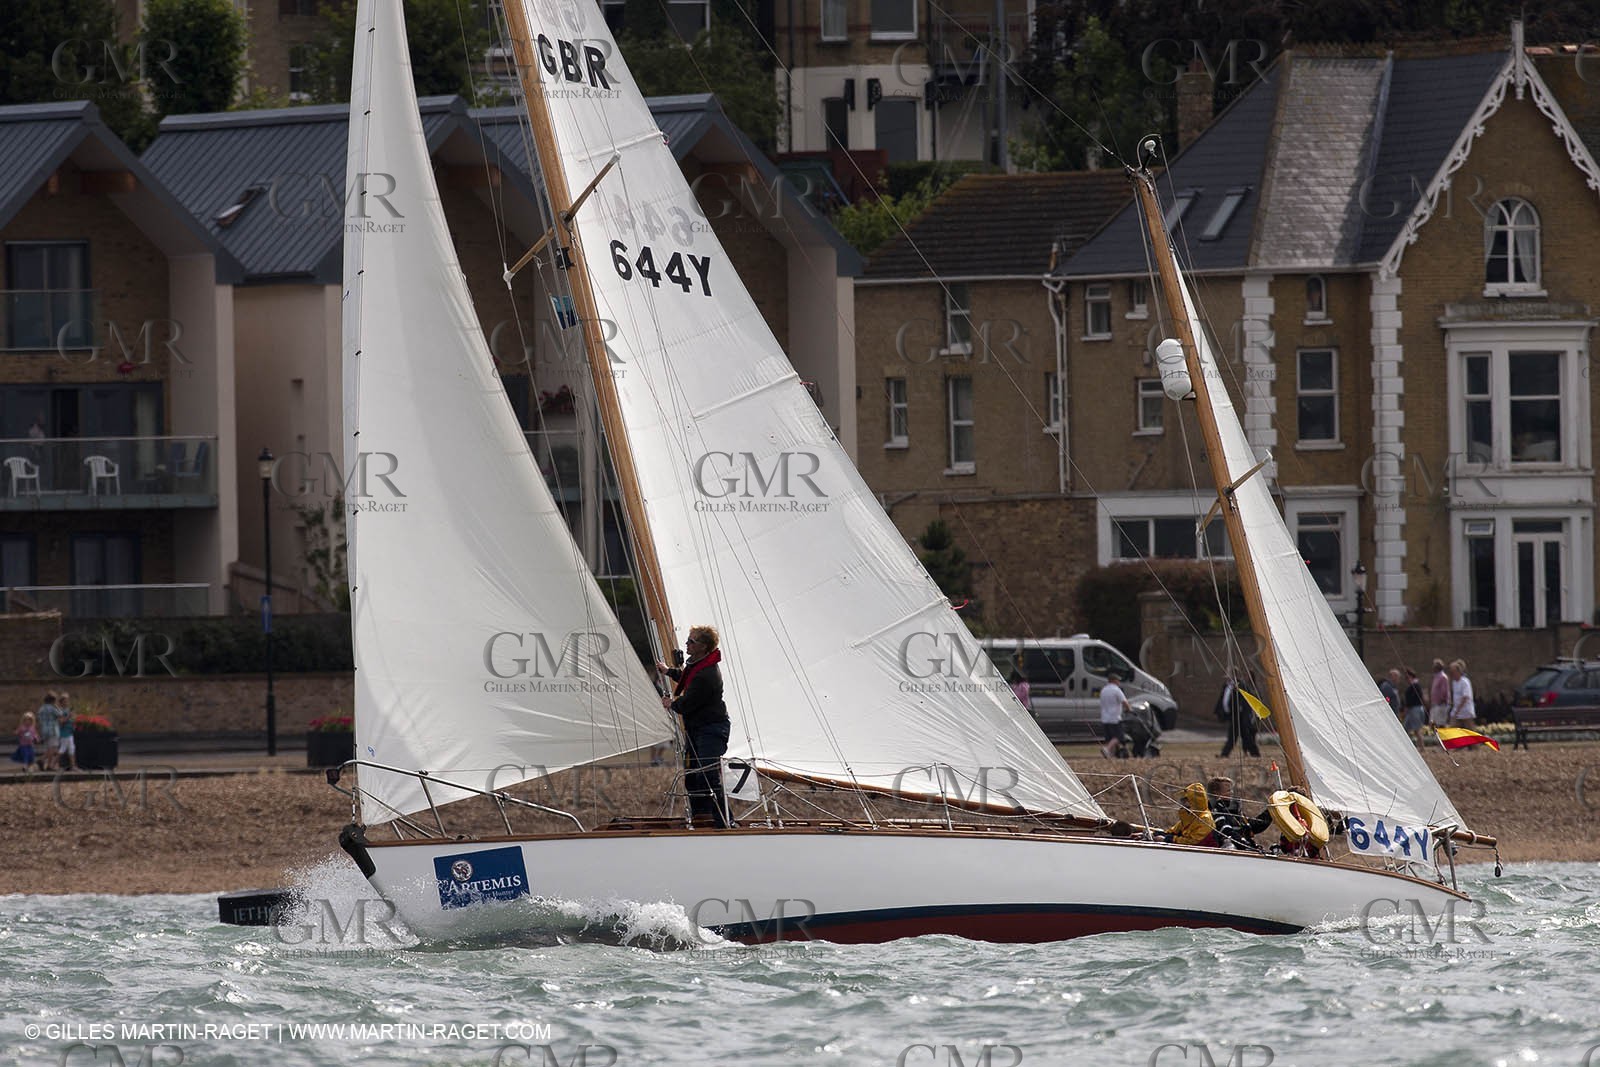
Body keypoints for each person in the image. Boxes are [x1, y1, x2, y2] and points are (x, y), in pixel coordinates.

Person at [657, 626, 731, 829]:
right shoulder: (698, 665)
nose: (687, 644)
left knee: (707, 776)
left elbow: (686, 704)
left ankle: (725, 822)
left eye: (691, 642)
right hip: (698, 730)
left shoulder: (707, 675)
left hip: (712, 730)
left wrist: (670, 703)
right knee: (692, 776)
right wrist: (668, 671)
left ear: (703, 647)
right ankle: (703, 819)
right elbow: (685, 677)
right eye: (688, 640)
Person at [1207, 776, 1272, 849]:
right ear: (1216, 793)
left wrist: (1271, 811)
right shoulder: (1214, 811)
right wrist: (1245, 845)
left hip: (1244, 850)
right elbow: (1225, 831)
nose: (1231, 793)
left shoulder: (1233, 812)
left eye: (1232, 790)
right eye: (1228, 791)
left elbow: (1253, 827)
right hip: (1229, 852)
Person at [1217, 672, 1260, 758]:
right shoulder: (1227, 686)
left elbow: (1247, 698)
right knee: (1238, 735)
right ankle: (1225, 753)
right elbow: (1224, 699)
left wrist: (1245, 711)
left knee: (1243, 736)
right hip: (1232, 715)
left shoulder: (1241, 685)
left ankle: (1254, 753)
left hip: (1241, 716)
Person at [1167, 782, 1218, 846]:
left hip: (1206, 853)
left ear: (1194, 801)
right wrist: (1159, 834)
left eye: (1186, 800)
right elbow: (1173, 831)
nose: (1183, 802)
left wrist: (1171, 839)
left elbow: (1194, 842)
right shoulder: (1189, 817)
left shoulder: (1205, 819)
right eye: (1183, 800)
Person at [1099, 670, 1131, 758]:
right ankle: (1107, 749)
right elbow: (1124, 702)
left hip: (1104, 718)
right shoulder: (1116, 690)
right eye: (1118, 680)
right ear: (1113, 680)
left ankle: (1111, 754)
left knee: (1109, 737)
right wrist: (1129, 709)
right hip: (1114, 718)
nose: (1119, 682)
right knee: (1119, 736)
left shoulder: (1104, 690)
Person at [35, 691, 60, 772]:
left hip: (44, 731)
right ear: (53, 700)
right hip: (53, 730)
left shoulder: (41, 708)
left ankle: (48, 765)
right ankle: (42, 760)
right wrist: (57, 707)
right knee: (53, 749)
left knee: (50, 748)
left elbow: (38, 719)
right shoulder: (52, 708)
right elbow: (60, 714)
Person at [1401, 668, 1427, 742]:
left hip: (1415, 709)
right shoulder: (1413, 685)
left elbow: (1412, 699)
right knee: (1406, 728)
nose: (1406, 680)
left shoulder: (1415, 685)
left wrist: (1406, 708)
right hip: (1412, 710)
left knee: (1416, 729)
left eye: (1407, 678)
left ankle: (1422, 747)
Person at [1448, 659, 1476, 726]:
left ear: (1458, 671)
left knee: (1471, 732)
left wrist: (1457, 710)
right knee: (1453, 730)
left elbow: (1465, 697)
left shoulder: (1464, 682)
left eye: (1453, 672)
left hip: (1466, 712)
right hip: (1456, 712)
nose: (1451, 674)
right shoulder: (1454, 682)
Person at [1428, 658, 1451, 729]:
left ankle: (1442, 739)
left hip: (1441, 705)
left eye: (1434, 666)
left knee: (1440, 724)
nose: (1433, 667)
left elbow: (1444, 691)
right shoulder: (1436, 677)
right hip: (1435, 704)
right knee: (1433, 723)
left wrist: (1441, 701)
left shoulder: (1443, 677)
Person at [56, 692, 76, 772]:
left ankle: (73, 766)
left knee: (71, 749)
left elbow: (71, 720)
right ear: (61, 702)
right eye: (65, 701)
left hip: (69, 732)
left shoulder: (67, 710)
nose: (67, 702)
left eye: (67, 700)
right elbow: (61, 721)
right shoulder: (60, 711)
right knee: (63, 749)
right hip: (64, 733)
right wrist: (68, 716)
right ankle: (53, 764)